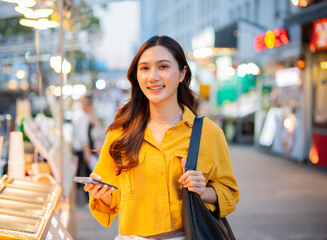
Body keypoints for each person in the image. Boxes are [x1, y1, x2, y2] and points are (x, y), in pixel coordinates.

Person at [83, 36, 239, 240]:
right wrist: (102, 195)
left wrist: (202, 190)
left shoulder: (208, 133)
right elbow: (110, 205)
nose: (153, 77)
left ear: (182, 73)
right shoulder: (120, 133)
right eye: (145, 68)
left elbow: (229, 194)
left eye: (163, 67)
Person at [72, 95, 98, 202]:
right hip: (84, 149)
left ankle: (87, 199)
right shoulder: (82, 117)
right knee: (88, 175)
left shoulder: (85, 115)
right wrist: (87, 153)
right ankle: (88, 200)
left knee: (86, 173)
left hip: (85, 148)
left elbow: (95, 124)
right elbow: (83, 137)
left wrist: (91, 112)